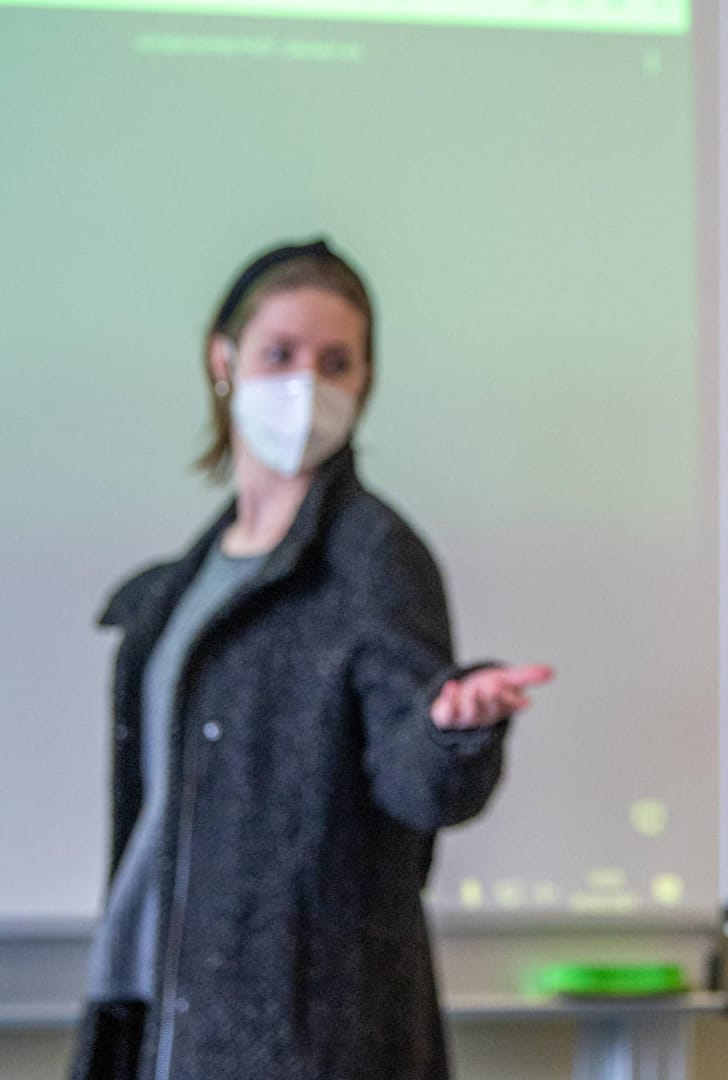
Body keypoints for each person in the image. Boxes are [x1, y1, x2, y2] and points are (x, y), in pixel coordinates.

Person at [72, 239, 552, 1080]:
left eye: (336, 363)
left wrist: (451, 730)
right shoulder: (187, 581)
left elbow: (412, 781)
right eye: (280, 355)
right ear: (224, 362)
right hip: (157, 1009)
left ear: (365, 380)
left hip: (310, 1030)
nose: (306, 386)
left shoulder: (373, 557)